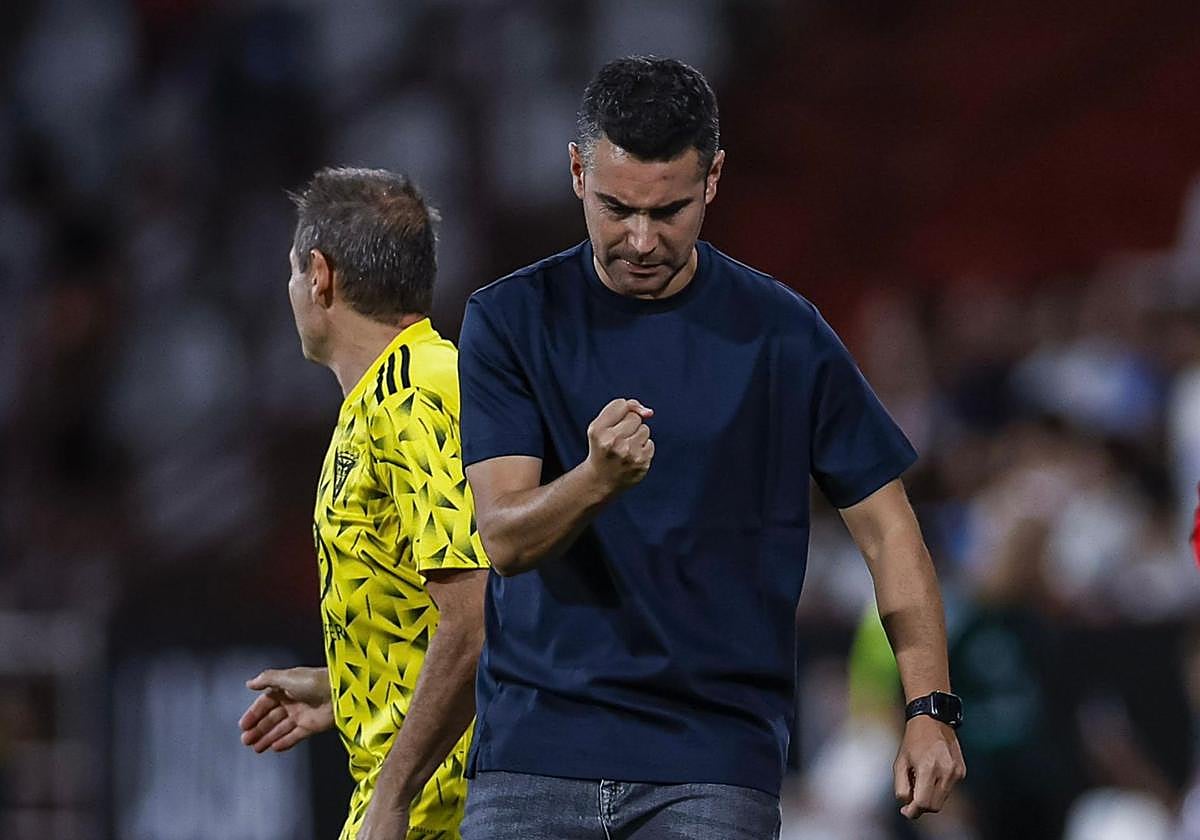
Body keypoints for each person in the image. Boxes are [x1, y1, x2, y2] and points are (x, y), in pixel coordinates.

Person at [455, 57, 966, 839]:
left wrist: (929, 707)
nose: (640, 239)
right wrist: (595, 479)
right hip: (533, 760)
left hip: (712, 767)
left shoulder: (782, 333)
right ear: (575, 172)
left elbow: (890, 530)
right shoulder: (509, 320)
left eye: (670, 211)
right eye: (616, 207)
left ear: (715, 178)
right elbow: (505, 538)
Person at [237, 168, 490, 840]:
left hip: (441, 807)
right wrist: (349, 689)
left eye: (294, 271)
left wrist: (393, 797)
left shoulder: (417, 393)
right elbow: (430, 604)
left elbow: (473, 617)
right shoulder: (384, 398)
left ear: (319, 276)